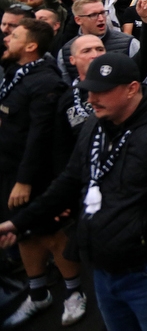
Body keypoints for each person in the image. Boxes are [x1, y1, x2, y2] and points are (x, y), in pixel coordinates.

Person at [0, 54, 147, 330]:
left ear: (132, 88)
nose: (92, 99)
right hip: (104, 271)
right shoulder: (94, 124)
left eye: (102, 91)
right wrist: (17, 222)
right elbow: (69, 182)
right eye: (89, 91)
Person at [0, 19, 86, 327]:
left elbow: (39, 136)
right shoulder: (16, 73)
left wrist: (24, 180)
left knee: (51, 234)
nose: (7, 37)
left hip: (34, 176)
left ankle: (75, 291)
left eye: (14, 35)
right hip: (10, 171)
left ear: (30, 46)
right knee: (22, 232)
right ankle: (38, 294)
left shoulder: (46, 82)